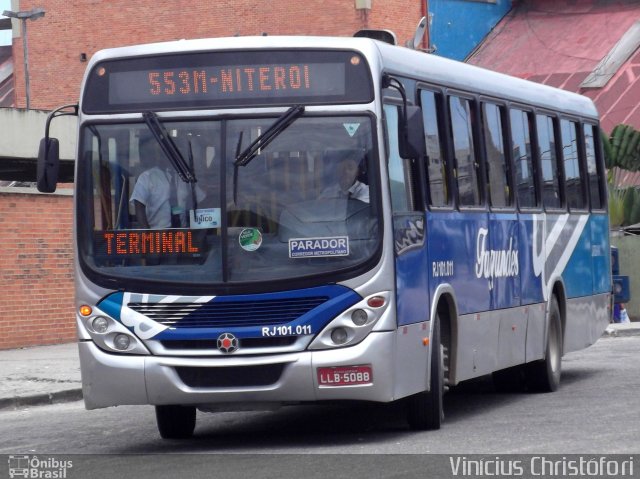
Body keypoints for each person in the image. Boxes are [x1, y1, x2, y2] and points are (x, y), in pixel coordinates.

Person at [130, 138, 205, 229]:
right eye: (163, 154)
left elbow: (200, 200)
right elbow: (139, 205)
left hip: (183, 235)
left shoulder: (185, 177)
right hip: (157, 233)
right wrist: (147, 234)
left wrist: (199, 227)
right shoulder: (147, 177)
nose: (166, 157)